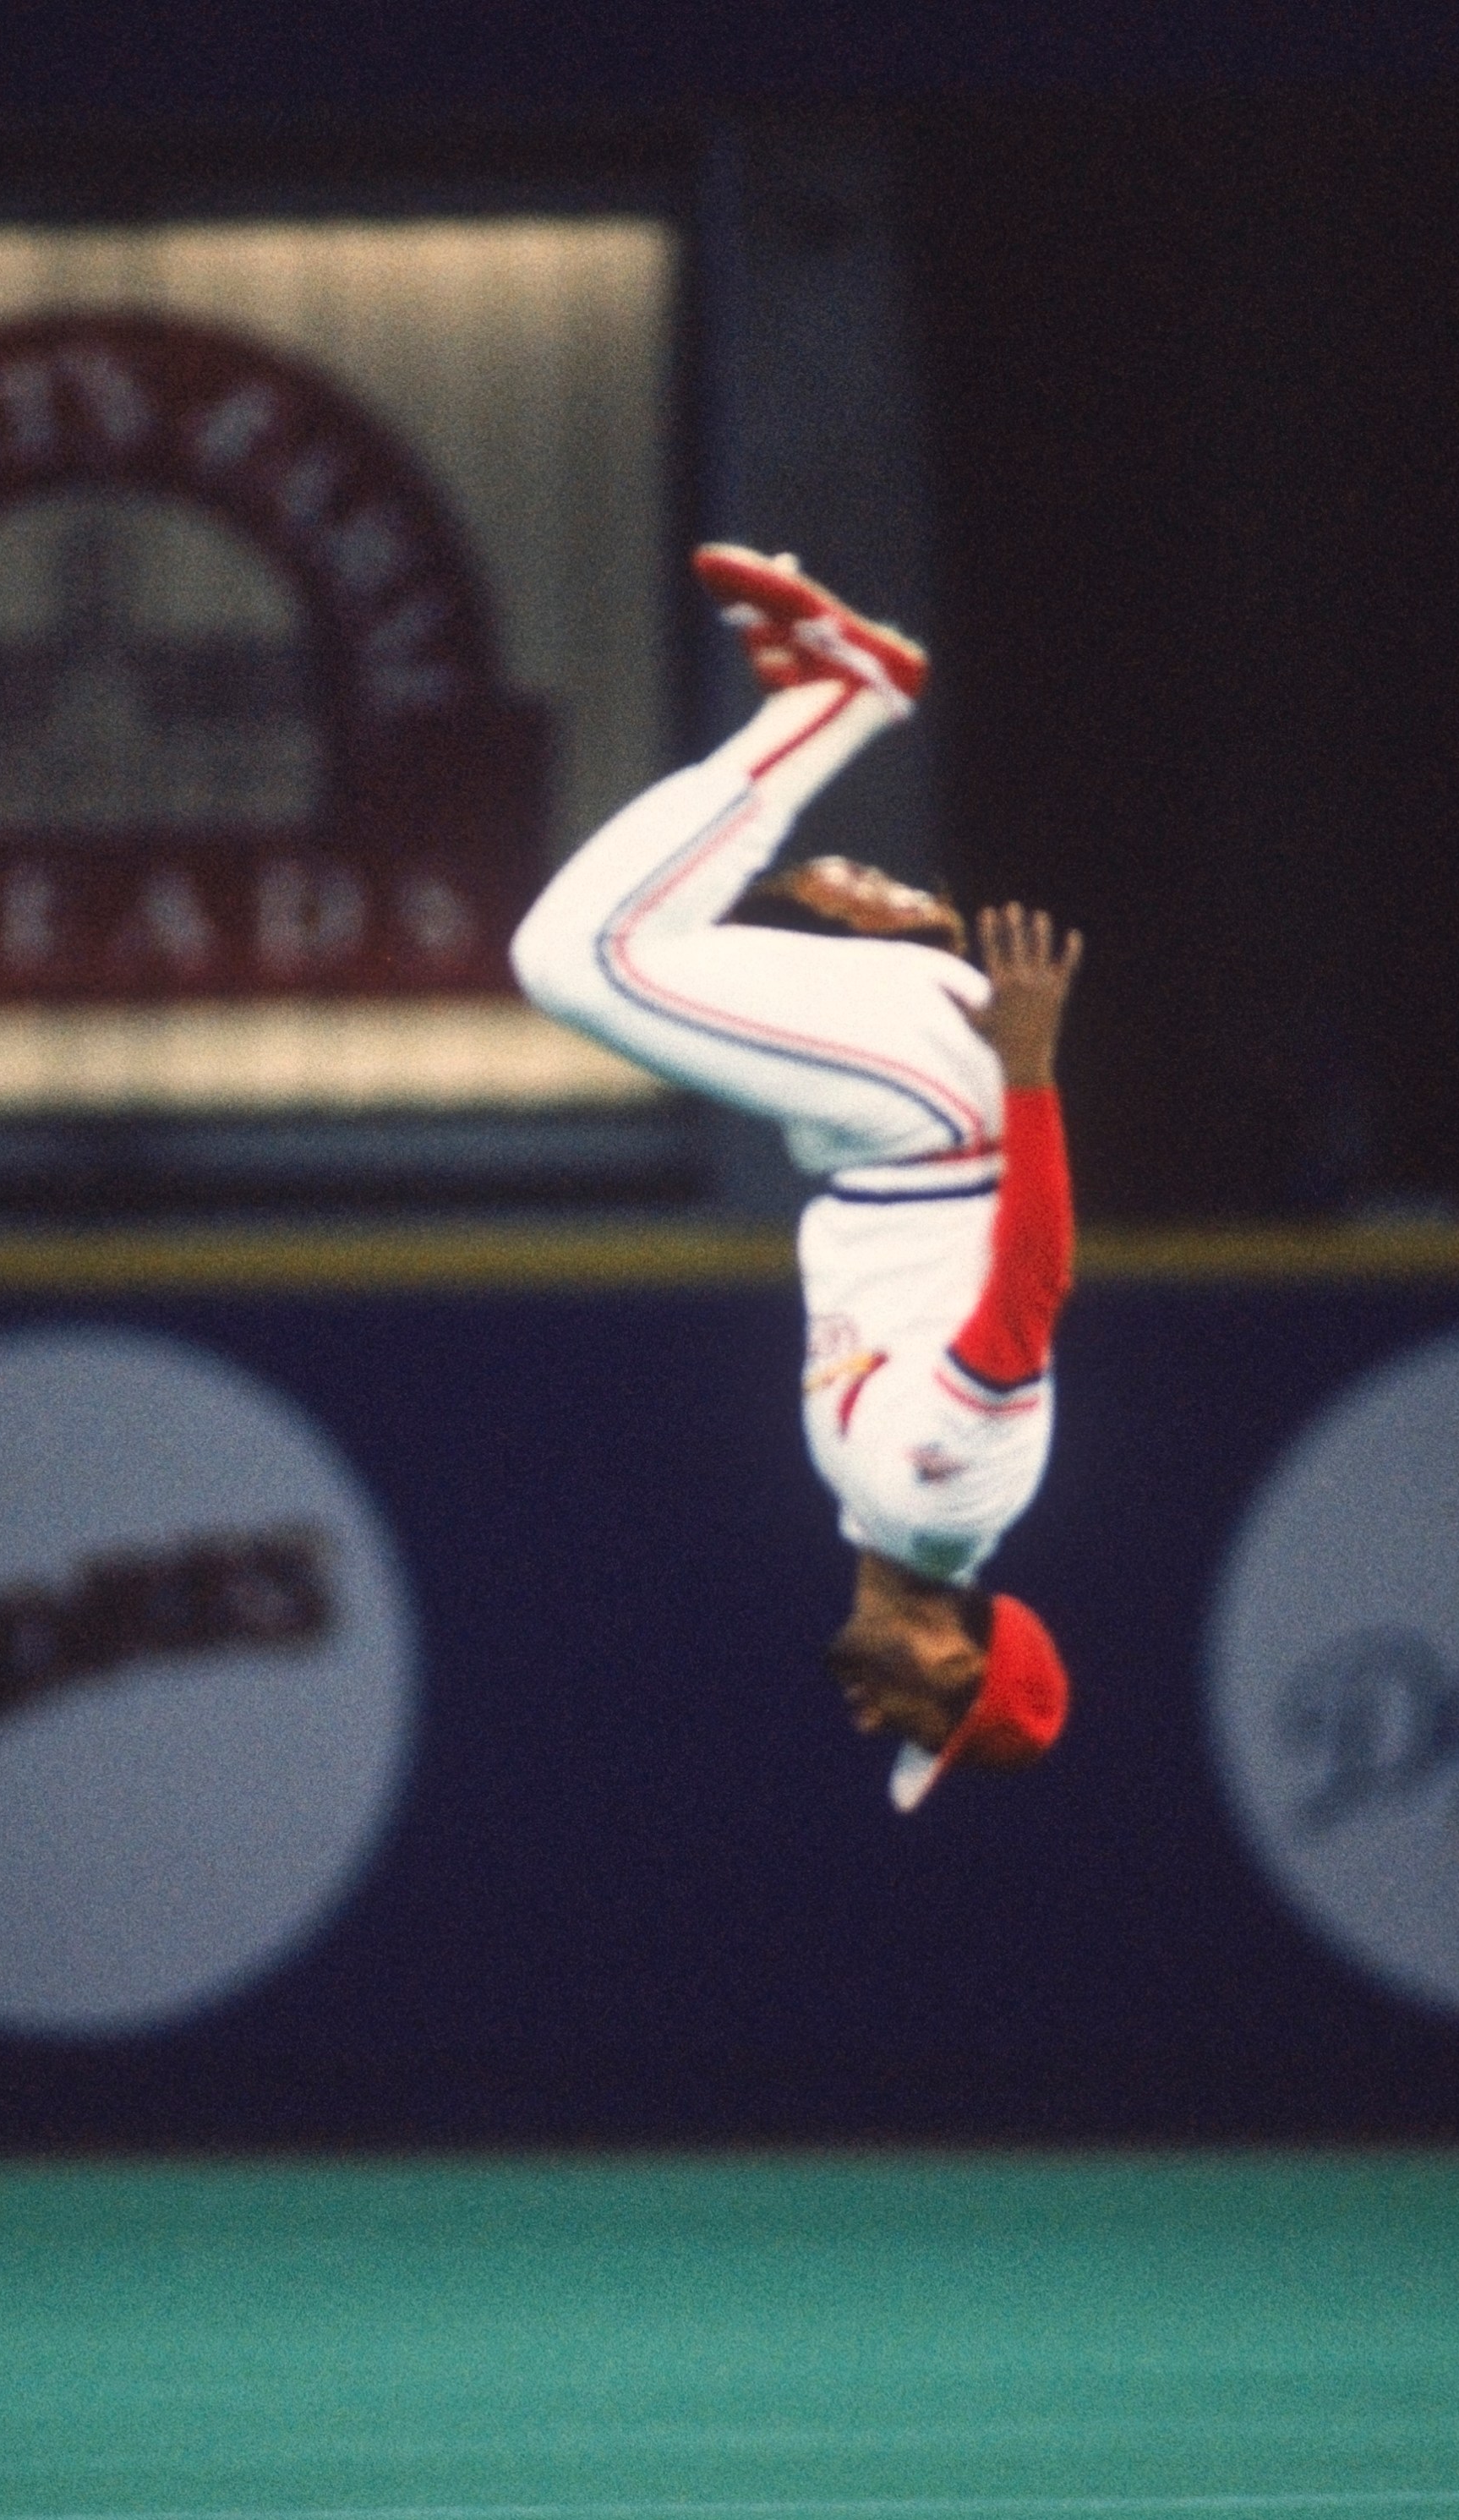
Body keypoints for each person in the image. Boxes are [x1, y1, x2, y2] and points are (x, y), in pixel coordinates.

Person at [510, 547, 1082, 1809]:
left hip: (894, 1120)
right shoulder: (944, 1495)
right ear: (958, 1652)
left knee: (639, 951)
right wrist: (1030, 1070)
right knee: (575, 961)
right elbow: (1030, 1285)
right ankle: (846, 694)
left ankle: (817, 698)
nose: (875, 1711)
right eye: (924, 1715)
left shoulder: (879, 1516)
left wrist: (924, 950)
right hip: (931, 1118)